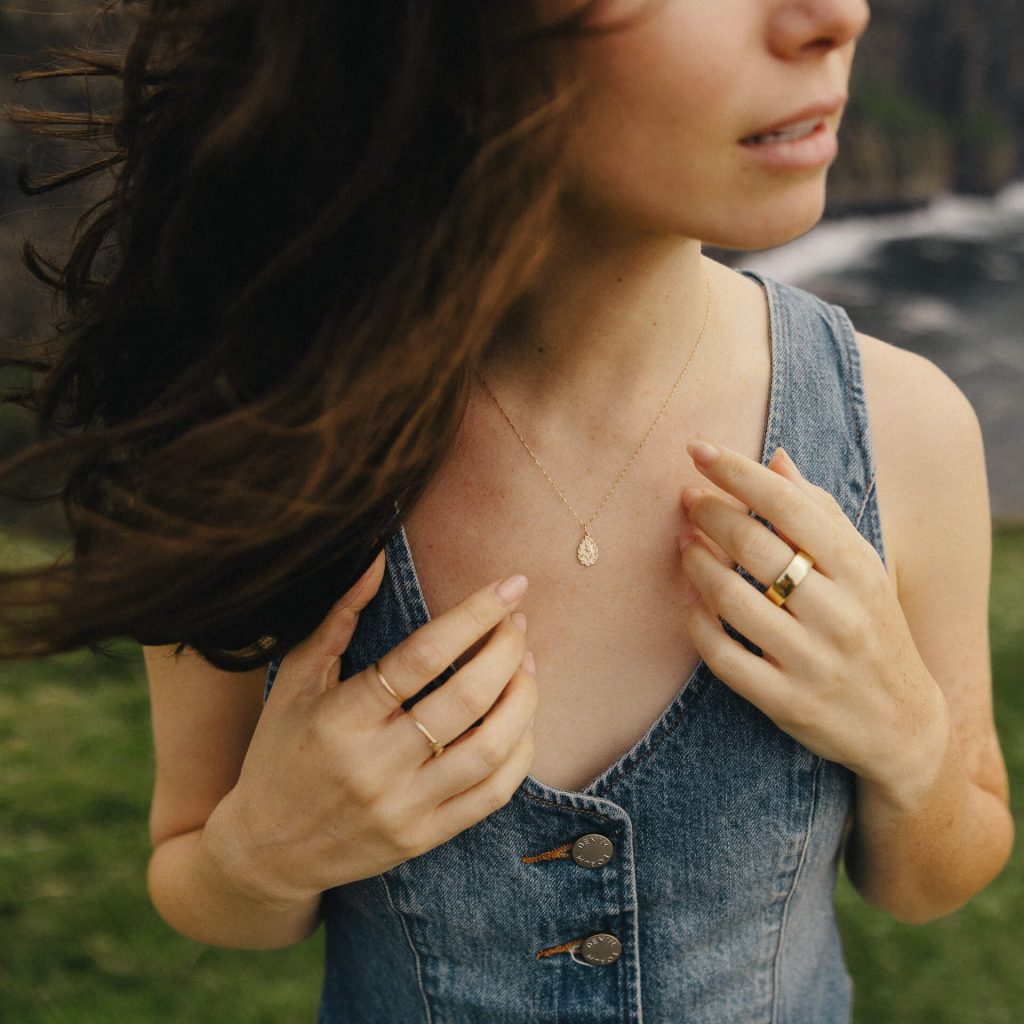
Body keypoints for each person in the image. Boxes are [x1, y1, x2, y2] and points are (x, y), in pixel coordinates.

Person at [1, 1, 1013, 1021]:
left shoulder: (901, 426)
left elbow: (936, 876)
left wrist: (907, 741)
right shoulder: (250, 431)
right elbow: (198, 879)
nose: (835, 15)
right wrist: (260, 849)